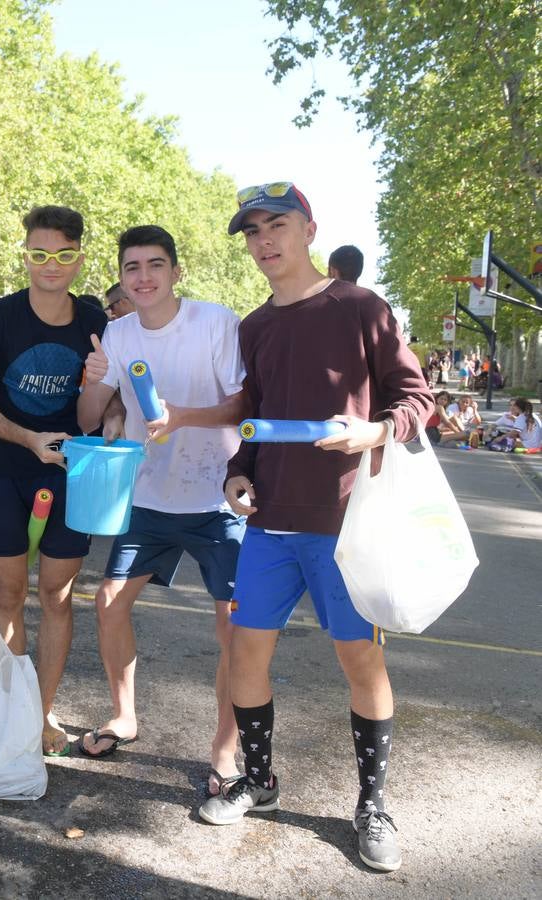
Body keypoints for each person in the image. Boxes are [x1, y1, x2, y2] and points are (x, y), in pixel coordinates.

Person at [197, 183, 432, 874]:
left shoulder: (362, 308)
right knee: (245, 655)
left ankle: (373, 802)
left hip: (346, 527)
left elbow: (416, 397)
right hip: (269, 524)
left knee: (361, 661)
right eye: (252, 232)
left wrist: (375, 431)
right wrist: (237, 472)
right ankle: (260, 783)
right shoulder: (255, 325)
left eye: (278, 226)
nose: (264, 241)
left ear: (309, 230)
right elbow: (258, 414)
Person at [76, 225, 248, 791]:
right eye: (132, 268)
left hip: (216, 496)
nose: (144, 277)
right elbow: (91, 418)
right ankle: (124, 717)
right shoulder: (117, 333)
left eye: (155, 265)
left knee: (233, 626)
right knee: (108, 602)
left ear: (176, 272)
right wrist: (97, 388)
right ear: (122, 278)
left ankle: (225, 749)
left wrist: (179, 417)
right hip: (148, 496)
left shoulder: (215, 321)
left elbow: (242, 404)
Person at [0, 205, 114, 755]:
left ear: (79, 260)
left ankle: (39, 713)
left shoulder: (96, 321)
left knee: (56, 595)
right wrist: (27, 439)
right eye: (40, 254)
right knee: (8, 592)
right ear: (26, 255)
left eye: (64, 255)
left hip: (73, 475)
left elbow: (101, 409)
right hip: (6, 470)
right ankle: (8, 704)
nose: (51, 265)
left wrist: (109, 423)